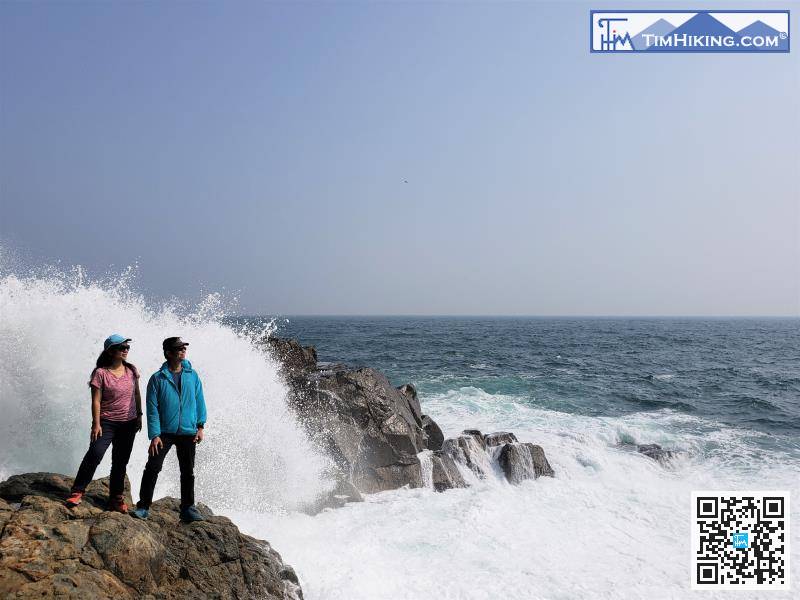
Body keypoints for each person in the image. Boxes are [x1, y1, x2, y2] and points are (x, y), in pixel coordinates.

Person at [130, 337, 207, 522]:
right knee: (153, 468)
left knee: (187, 471)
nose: (183, 351)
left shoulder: (192, 375)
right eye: (178, 348)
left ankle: (188, 508)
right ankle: (143, 507)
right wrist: (154, 435)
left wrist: (200, 426)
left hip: (188, 431)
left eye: (184, 348)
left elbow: (199, 401)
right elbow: (152, 409)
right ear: (168, 353)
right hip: (164, 433)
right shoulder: (158, 378)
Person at [65, 334, 142, 511]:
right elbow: (96, 401)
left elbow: (136, 394)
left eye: (127, 347)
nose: (125, 350)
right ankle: (77, 492)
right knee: (95, 454)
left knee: (120, 461)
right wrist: (96, 424)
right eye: (121, 347)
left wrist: (139, 415)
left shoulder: (131, 370)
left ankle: (116, 498)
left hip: (128, 423)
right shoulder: (101, 373)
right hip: (107, 422)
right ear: (110, 351)